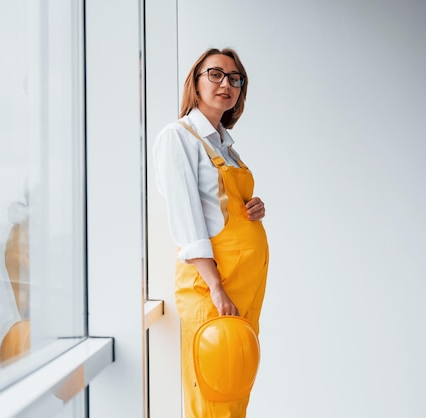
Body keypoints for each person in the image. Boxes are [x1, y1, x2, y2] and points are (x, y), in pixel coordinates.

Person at [153, 47, 269, 418]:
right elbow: (187, 220)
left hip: (244, 286)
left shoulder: (225, 145)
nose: (226, 84)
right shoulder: (178, 137)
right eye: (215, 74)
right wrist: (216, 288)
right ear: (196, 82)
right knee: (212, 393)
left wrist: (253, 207)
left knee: (235, 390)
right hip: (213, 285)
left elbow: (218, 207)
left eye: (235, 78)